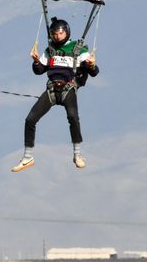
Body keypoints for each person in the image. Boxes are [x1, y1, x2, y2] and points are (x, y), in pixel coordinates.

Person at [11, 17, 99, 172]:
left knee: (73, 117)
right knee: (30, 119)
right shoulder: (50, 50)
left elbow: (93, 72)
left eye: (60, 33)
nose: (57, 36)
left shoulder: (78, 49)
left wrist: (91, 65)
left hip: (68, 90)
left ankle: (77, 155)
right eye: (54, 34)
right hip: (51, 90)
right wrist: (36, 61)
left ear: (66, 32)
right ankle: (27, 157)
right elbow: (38, 71)